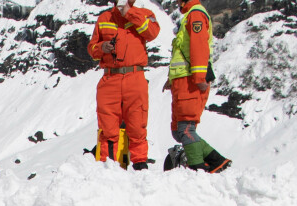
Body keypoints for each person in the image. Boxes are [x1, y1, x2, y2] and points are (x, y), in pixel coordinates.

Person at [88, 0, 159, 169]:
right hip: (110, 78)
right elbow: (91, 49)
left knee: (137, 125)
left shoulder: (145, 14)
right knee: (107, 128)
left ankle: (140, 167)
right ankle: (109, 167)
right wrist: (101, 47)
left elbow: (152, 33)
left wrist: (129, 12)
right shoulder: (105, 17)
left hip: (135, 77)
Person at [164, 0, 229, 173]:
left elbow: (199, 47)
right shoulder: (189, 16)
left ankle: (196, 170)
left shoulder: (196, 15)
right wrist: (171, 79)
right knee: (178, 131)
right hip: (181, 81)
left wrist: (199, 77)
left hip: (190, 82)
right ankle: (217, 161)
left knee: (186, 128)